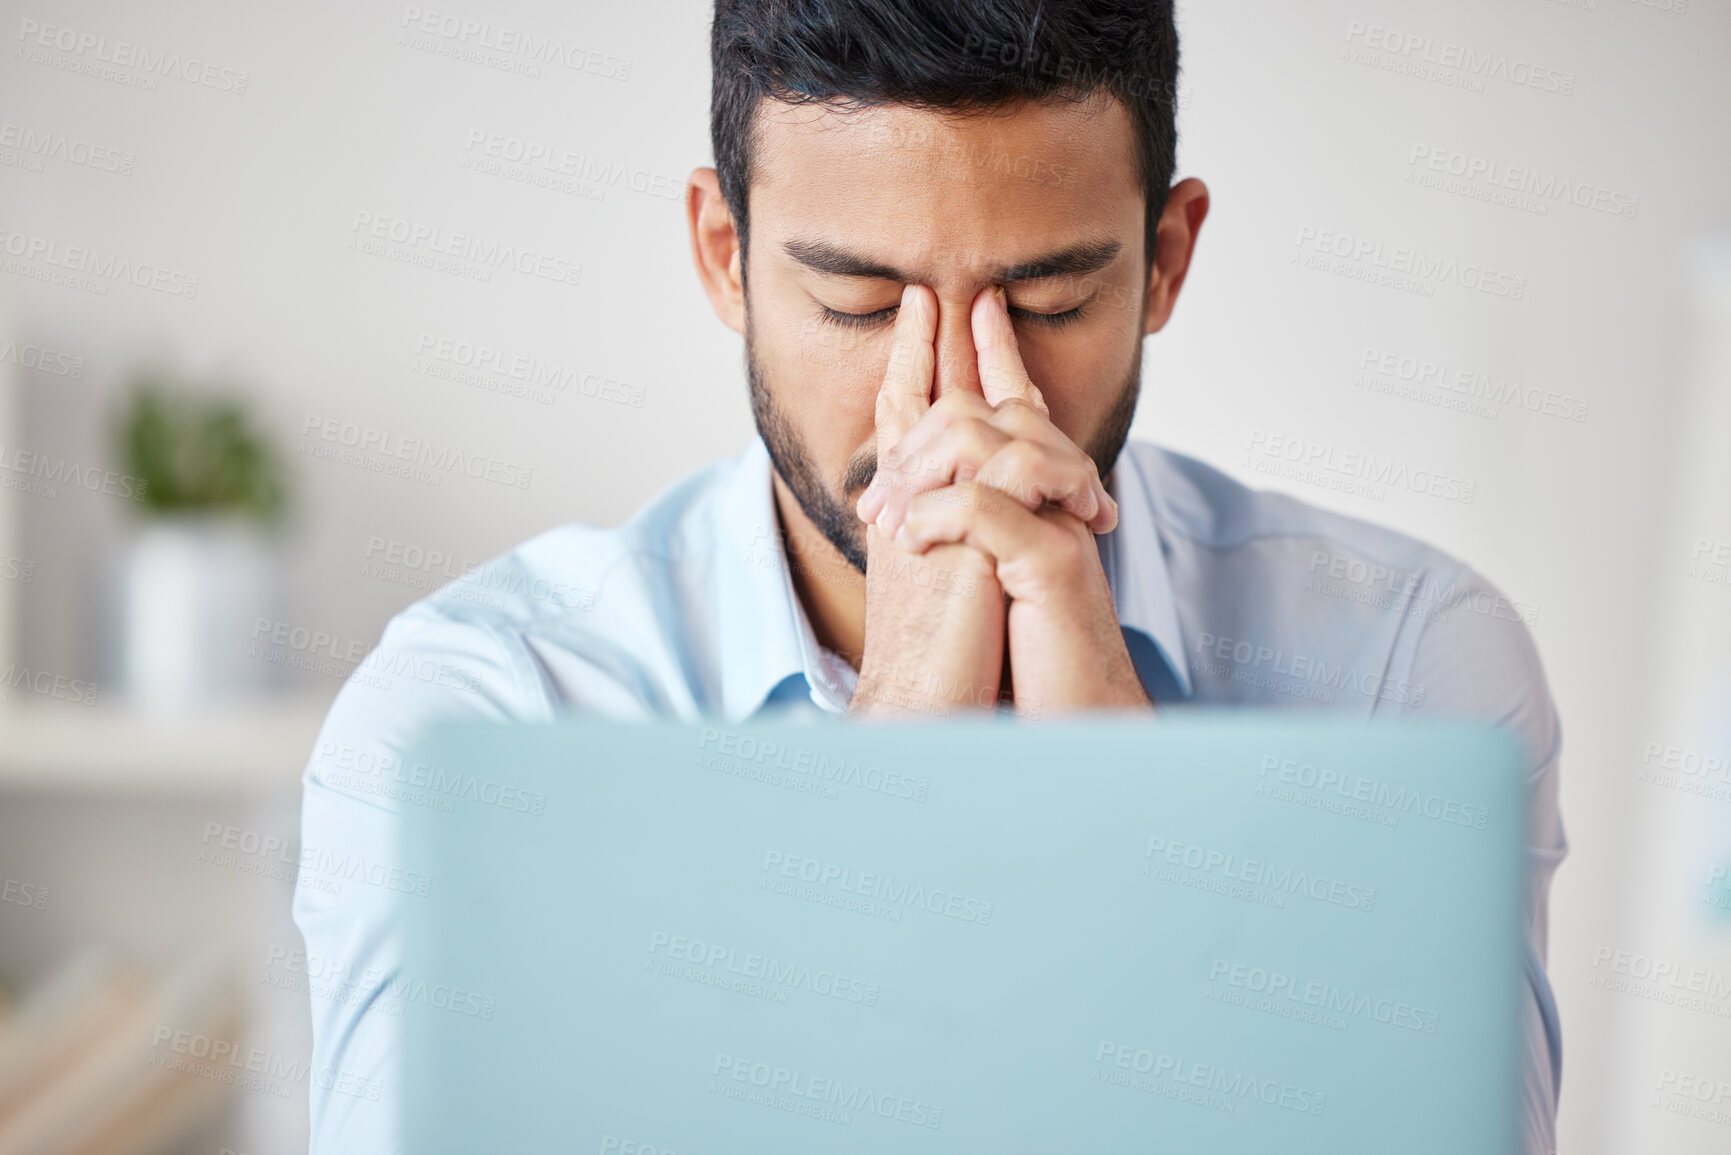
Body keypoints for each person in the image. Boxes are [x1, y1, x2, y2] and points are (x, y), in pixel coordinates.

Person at [294, 1, 1565, 1150]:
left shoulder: (1404, 670)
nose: (955, 400)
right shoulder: (474, 717)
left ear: (1166, 260)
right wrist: (895, 739)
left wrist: (1121, 786)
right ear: (726, 255)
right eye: (856, 300)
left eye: (1053, 300)